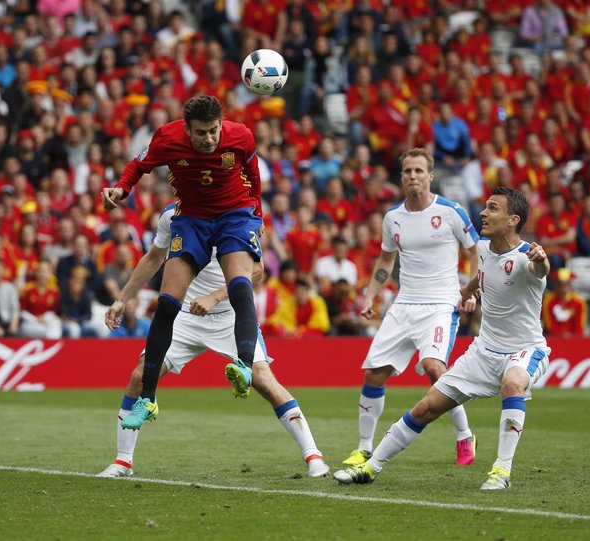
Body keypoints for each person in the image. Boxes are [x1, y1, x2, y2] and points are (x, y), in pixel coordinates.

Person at [335, 186, 551, 490]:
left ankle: (501, 471)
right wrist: (466, 293)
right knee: (425, 408)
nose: (483, 213)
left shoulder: (528, 256)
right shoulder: (486, 250)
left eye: (492, 208)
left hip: (524, 350)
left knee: (513, 383)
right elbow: (483, 274)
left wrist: (541, 258)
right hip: (483, 352)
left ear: (513, 219)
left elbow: (539, 269)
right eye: (485, 206)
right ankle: (370, 467)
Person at [98, 204, 328, 478]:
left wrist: (215, 297)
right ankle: (123, 462)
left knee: (264, 381)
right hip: (185, 315)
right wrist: (122, 299)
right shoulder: (172, 216)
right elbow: (153, 258)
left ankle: (314, 456)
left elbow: (256, 270)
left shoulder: (240, 214)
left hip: (230, 314)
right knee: (140, 376)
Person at [101, 95, 264, 428]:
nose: (208, 139)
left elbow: (254, 176)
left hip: (234, 215)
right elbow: (138, 164)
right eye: (201, 132)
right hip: (191, 219)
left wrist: (257, 216)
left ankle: (244, 368)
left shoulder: (241, 136)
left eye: (213, 131)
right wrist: (121, 189)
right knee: (166, 303)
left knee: (239, 285)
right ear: (187, 129)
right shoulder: (167, 138)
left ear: (222, 125)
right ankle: (148, 399)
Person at [342, 148, 480, 470]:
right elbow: (386, 259)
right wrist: (370, 295)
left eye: (419, 171)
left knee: (434, 368)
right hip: (405, 303)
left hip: (442, 302)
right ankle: (363, 448)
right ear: (401, 177)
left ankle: (464, 435)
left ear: (431, 176)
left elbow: (476, 251)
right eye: (407, 171)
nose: (413, 177)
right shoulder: (393, 218)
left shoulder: (451, 211)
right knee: (375, 374)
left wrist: (473, 292)